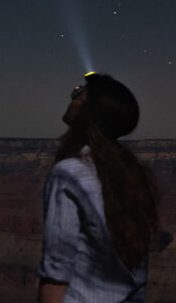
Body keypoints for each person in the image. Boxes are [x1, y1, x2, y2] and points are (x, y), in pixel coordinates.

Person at [37, 72, 158, 302]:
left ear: (89, 111)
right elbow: (139, 273)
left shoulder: (69, 173)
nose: (72, 95)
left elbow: (56, 271)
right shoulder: (133, 175)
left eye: (78, 94)